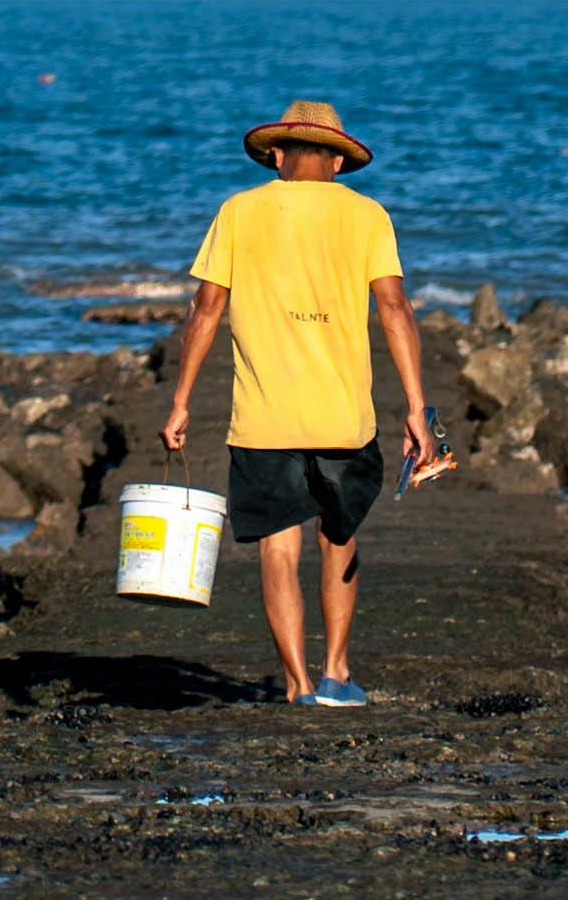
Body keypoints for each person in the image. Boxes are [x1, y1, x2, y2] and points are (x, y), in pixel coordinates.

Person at [159, 97, 451, 707]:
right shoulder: (367, 216)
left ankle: (295, 684)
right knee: (338, 539)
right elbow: (395, 308)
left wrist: (181, 401)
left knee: (278, 547)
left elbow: (206, 310)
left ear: (276, 155)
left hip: (264, 418)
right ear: (337, 163)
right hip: (343, 419)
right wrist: (416, 408)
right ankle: (336, 673)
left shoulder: (238, 211)